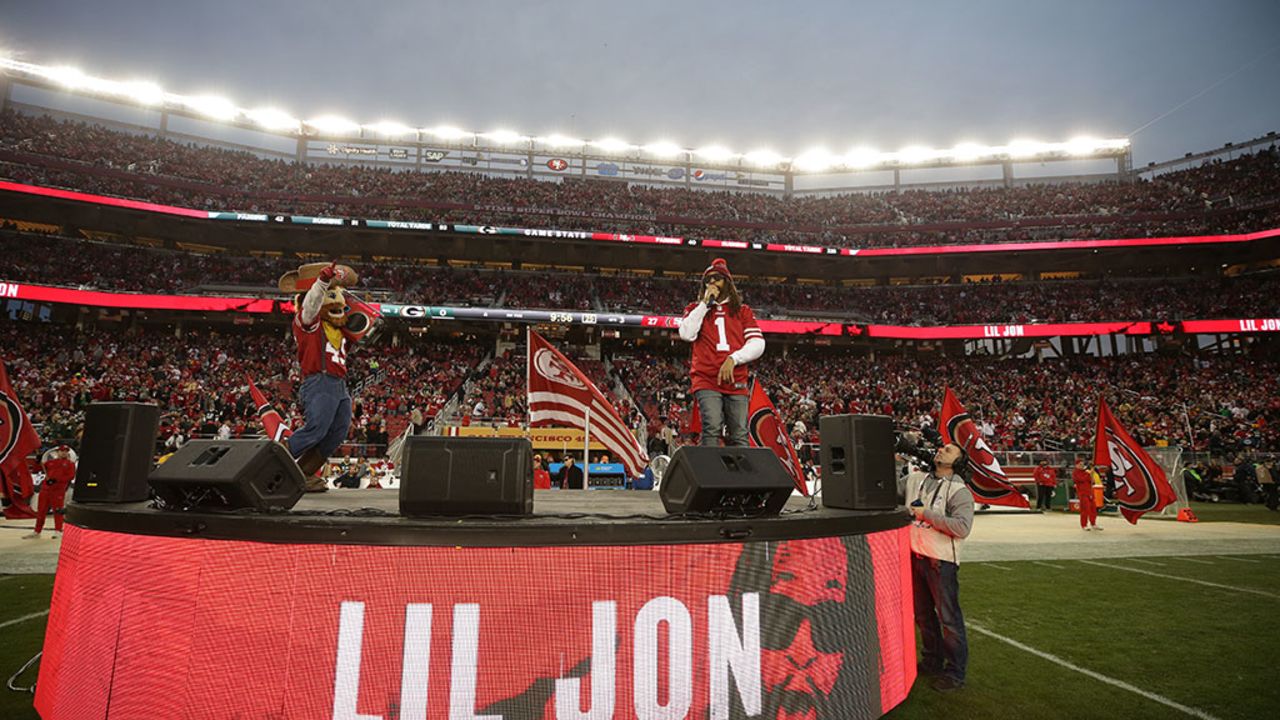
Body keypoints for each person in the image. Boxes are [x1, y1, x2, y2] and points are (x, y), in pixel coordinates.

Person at [282, 261, 375, 491]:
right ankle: (272, 461)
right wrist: (322, 283)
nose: (339, 302)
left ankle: (302, 474)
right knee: (317, 428)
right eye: (331, 295)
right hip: (319, 381)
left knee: (336, 433)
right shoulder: (308, 322)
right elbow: (312, 305)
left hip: (339, 384)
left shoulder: (340, 330)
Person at [907, 442, 974, 692]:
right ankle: (932, 660)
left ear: (956, 462)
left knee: (948, 618)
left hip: (941, 560)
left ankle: (955, 673)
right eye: (942, 447)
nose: (941, 450)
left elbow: (962, 528)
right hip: (916, 555)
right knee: (923, 616)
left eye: (949, 450)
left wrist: (926, 515)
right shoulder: (919, 479)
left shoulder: (959, 490)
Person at [678, 258, 765, 447]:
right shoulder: (694, 309)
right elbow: (686, 334)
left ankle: (741, 476)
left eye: (717, 278)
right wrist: (704, 305)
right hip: (706, 378)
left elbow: (758, 343)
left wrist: (734, 358)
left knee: (740, 433)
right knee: (711, 427)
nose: (712, 283)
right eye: (707, 280)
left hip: (736, 379)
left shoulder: (742, 311)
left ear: (727, 282)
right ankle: (710, 476)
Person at [25, 444, 76, 539]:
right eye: (62, 451)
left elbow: (70, 476)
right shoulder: (50, 462)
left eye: (65, 451)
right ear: (58, 452)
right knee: (41, 511)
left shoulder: (70, 464)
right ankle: (37, 531)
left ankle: (58, 530)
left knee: (57, 511)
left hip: (58, 491)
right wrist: (37, 461)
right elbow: (37, 469)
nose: (64, 453)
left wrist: (56, 480)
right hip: (46, 489)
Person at [1072, 458, 1100, 531]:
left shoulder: (1086, 472)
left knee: (1093, 509)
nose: (1081, 466)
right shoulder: (1075, 472)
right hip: (1083, 493)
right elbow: (1080, 480)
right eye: (1080, 464)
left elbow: (1092, 481)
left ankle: (1093, 523)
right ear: (1076, 465)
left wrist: (1091, 475)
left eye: (1082, 464)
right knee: (1085, 509)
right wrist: (1089, 474)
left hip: (1090, 492)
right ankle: (1084, 524)